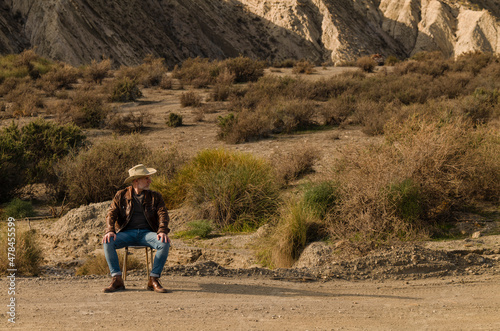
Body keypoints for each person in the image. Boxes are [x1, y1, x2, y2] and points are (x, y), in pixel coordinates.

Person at [102, 164, 171, 293]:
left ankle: (153, 280)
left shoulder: (155, 196)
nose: (150, 181)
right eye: (146, 178)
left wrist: (162, 230)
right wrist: (110, 230)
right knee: (107, 240)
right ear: (136, 181)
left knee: (164, 242)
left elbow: (163, 214)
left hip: (147, 234)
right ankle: (117, 280)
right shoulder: (121, 195)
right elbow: (111, 213)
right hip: (127, 233)